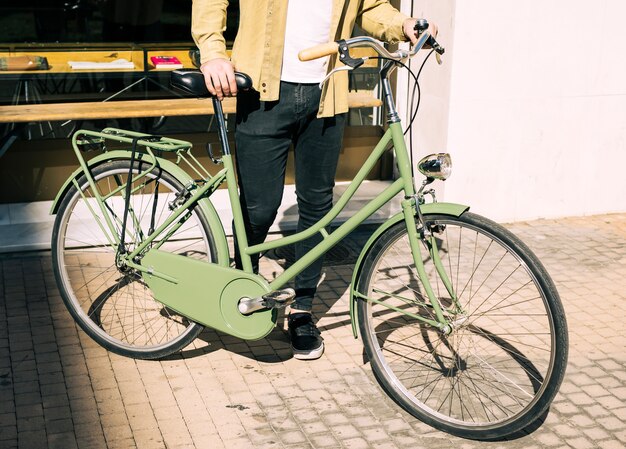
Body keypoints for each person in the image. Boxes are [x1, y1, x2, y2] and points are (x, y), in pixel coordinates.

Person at [192, 0, 437, 360]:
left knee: (318, 208)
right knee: (259, 208)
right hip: (261, 91)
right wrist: (213, 52)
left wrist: (404, 23)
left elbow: (370, 8)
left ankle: (302, 310)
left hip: (328, 90)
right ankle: (244, 282)